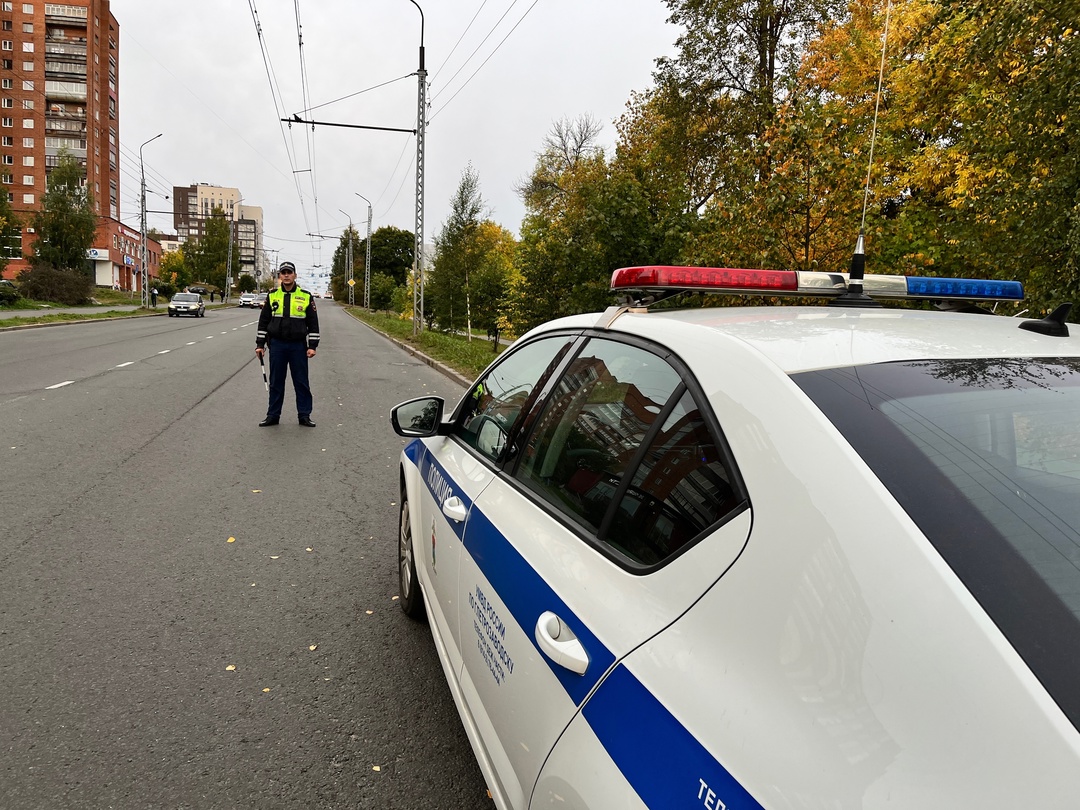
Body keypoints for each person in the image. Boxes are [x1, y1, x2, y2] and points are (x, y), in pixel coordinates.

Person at [255, 261, 320, 427]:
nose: (286, 275)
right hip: (277, 345)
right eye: (283, 272)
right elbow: (264, 322)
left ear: (295, 275)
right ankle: (273, 415)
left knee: (301, 382)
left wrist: (312, 346)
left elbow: (313, 323)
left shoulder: (305, 296)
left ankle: (304, 415)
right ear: (280, 276)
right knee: (276, 382)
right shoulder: (272, 295)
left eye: (289, 272)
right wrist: (260, 344)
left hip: (298, 346)